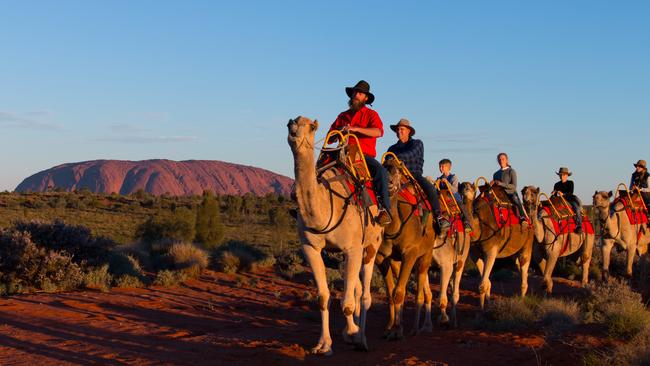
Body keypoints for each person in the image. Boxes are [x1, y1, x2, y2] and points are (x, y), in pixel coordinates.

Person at [328, 80, 391, 225]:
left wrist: (355, 129)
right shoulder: (343, 116)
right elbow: (330, 137)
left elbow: (378, 131)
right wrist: (338, 131)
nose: (356, 95)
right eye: (355, 93)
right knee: (320, 166)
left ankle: (384, 210)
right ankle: (304, 200)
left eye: (360, 93)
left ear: (366, 98)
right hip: (342, 153)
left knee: (381, 172)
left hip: (362, 155)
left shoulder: (371, 114)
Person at [386, 119, 449, 230]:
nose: (399, 131)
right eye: (397, 130)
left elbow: (411, 154)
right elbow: (386, 162)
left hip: (413, 175)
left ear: (408, 131)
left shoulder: (417, 143)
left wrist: (395, 158)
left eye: (402, 129)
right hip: (396, 176)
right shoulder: (392, 148)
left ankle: (438, 217)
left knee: (431, 189)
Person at [437, 159, 472, 232]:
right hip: (442, 198)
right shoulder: (439, 178)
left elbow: (454, 190)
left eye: (442, 166)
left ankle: (466, 223)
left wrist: (447, 183)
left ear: (448, 167)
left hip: (454, 198)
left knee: (462, 206)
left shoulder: (453, 177)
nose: (440, 168)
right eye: (440, 166)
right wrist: (435, 184)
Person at [491, 152, 527, 223]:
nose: (501, 161)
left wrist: (501, 184)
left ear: (507, 160)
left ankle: (523, 218)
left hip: (509, 192)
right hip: (498, 194)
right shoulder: (495, 173)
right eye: (499, 159)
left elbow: (514, 186)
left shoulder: (511, 171)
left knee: (515, 199)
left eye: (503, 159)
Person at [551, 167, 583, 234]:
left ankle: (579, 225)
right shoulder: (556, 184)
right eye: (560, 174)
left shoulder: (570, 183)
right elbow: (555, 196)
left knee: (576, 208)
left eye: (563, 175)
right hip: (560, 201)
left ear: (567, 175)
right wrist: (553, 194)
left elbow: (571, 192)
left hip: (569, 199)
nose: (562, 176)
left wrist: (563, 194)